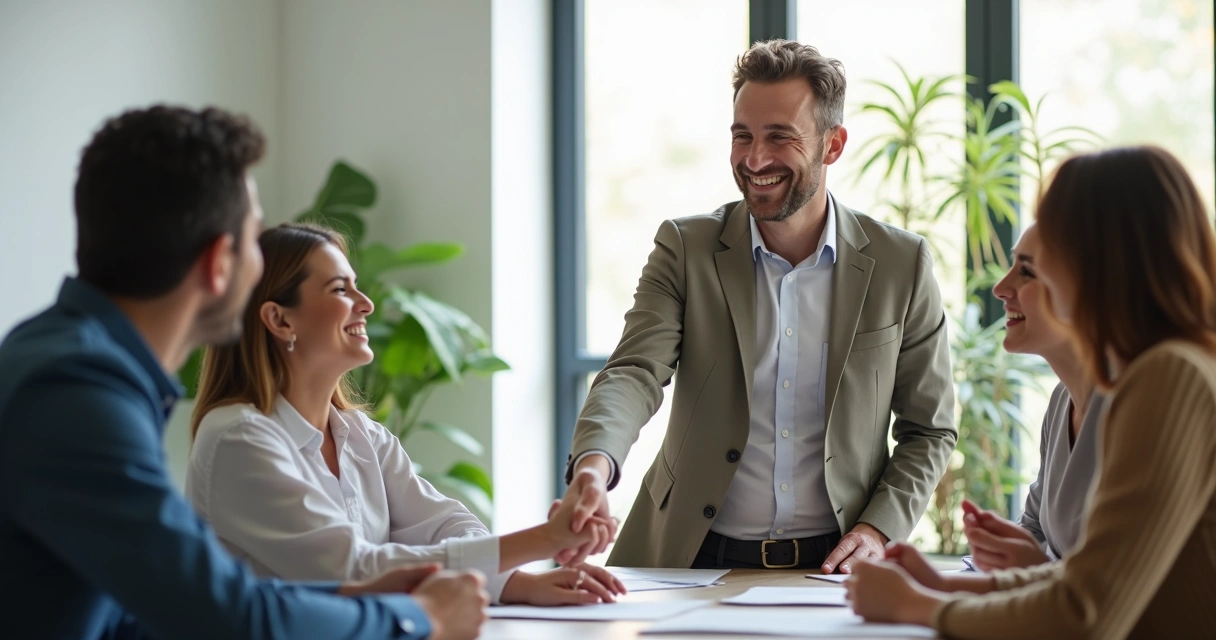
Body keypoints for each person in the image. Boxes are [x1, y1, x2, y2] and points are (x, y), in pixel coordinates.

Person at [0, 105, 486, 640]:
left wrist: (346, 598)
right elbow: (226, 612)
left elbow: (143, 613)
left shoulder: (65, 364)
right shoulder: (76, 392)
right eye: (253, 239)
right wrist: (421, 618)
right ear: (219, 262)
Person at [559, 38, 956, 574]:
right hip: (690, 561)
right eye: (742, 135)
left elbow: (929, 429)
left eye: (779, 136)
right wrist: (594, 463)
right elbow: (634, 372)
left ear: (833, 145)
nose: (754, 159)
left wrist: (878, 528)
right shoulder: (685, 248)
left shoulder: (900, 263)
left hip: (834, 567)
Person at [846, 145, 1216, 639]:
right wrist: (943, 586)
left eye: (1048, 254)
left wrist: (918, 606)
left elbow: (1085, 614)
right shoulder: (1155, 373)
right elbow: (1084, 578)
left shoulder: (1170, 376)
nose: (1007, 285)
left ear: (1101, 262)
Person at [187, 222, 624, 606]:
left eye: (356, 286)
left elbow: (447, 524)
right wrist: (544, 539)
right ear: (280, 320)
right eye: (340, 289)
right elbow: (353, 568)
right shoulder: (237, 438)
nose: (366, 303)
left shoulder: (360, 434)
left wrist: (518, 584)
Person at [960, 224, 1105, 571]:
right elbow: (1036, 532)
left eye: (1026, 271)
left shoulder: (1138, 407)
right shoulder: (1062, 399)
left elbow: (1114, 579)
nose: (1000, 288)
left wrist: (929, 590)